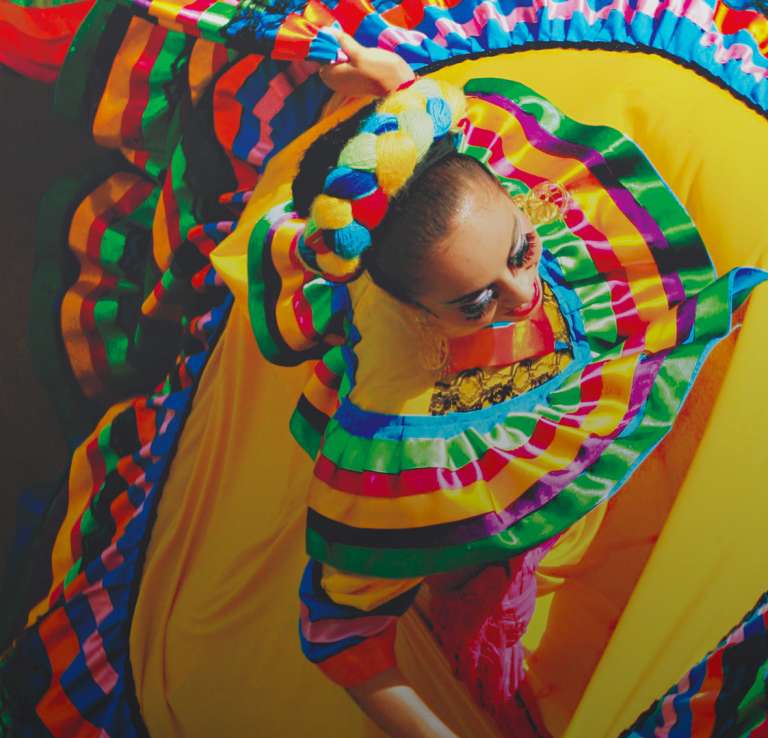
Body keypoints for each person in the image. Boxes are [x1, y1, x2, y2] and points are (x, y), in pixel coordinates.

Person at [1, 1, 768, 737]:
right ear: (410, 308)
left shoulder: (460, 165)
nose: (524, 294)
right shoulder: (391, 428)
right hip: (479, 561)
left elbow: (419, 114)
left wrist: (383, 77)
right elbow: (339, 637)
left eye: (520, 252)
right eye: (477, 301)